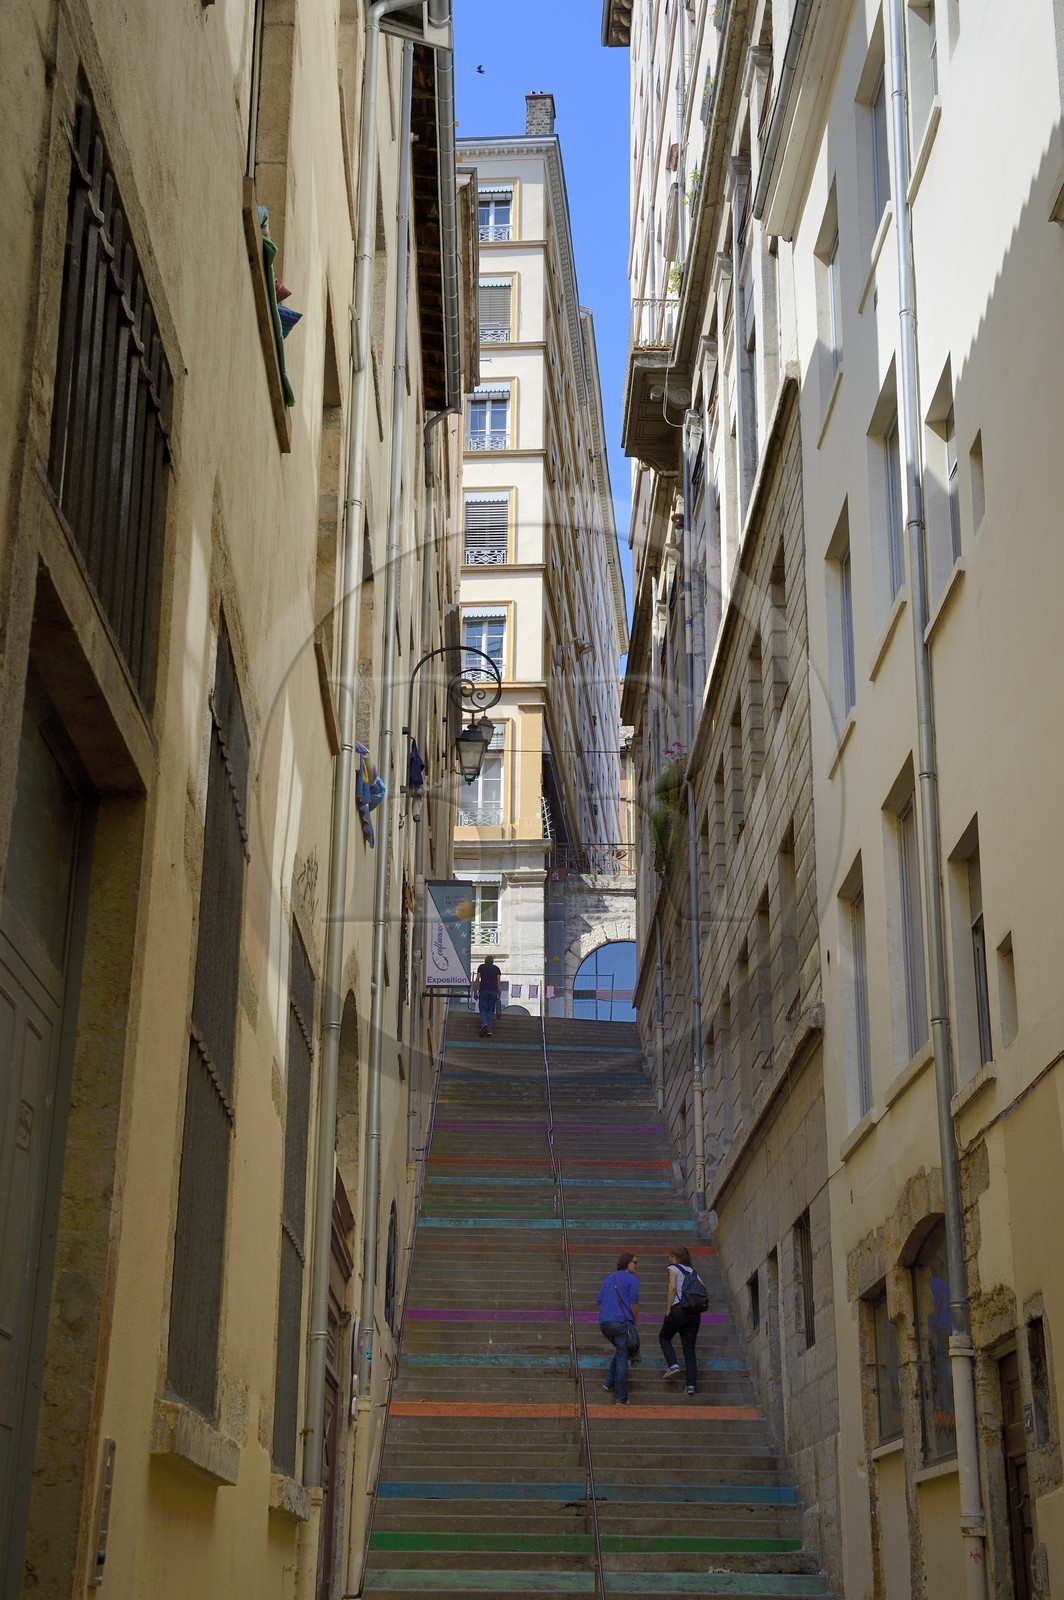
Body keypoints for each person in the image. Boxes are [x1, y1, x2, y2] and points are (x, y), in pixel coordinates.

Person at [597, 1251, 639, 1405]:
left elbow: (600, 1301)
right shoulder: (632, 1280)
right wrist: (635, 1321)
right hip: (621, 1323)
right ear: (627, 1262)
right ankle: (620, 1397)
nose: (636, 1265)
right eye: (635, 1262)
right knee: (623, 1357)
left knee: (623, 1350)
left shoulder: (608, 1278)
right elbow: (634, 1304)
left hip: (605, 1323)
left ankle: (608, 1381)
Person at [659, 1245, 701, 1395]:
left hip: (678, 1309)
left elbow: (672, 1287)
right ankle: (691, 1386)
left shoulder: (673, 1268)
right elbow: (702, 1288)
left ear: (676, 1257)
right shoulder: (694, 1272)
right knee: (689, 1350)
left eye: (671, 1256)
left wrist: (668, 1308)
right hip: (694, 1313)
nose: (669, 1259)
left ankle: (673, 1364)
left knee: (664, 1337)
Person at [472, 956, 502, 1036]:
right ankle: (489, 1030)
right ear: (492, 961)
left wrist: (475, 992)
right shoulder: (496, 969)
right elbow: (498, 982)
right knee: (491, 1010)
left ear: (485, 961)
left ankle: (484, 1024)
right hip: (493, 991)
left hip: (483, 990)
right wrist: (499, 994)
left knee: (483, 1008)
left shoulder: (481, 967)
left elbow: (477, 979)